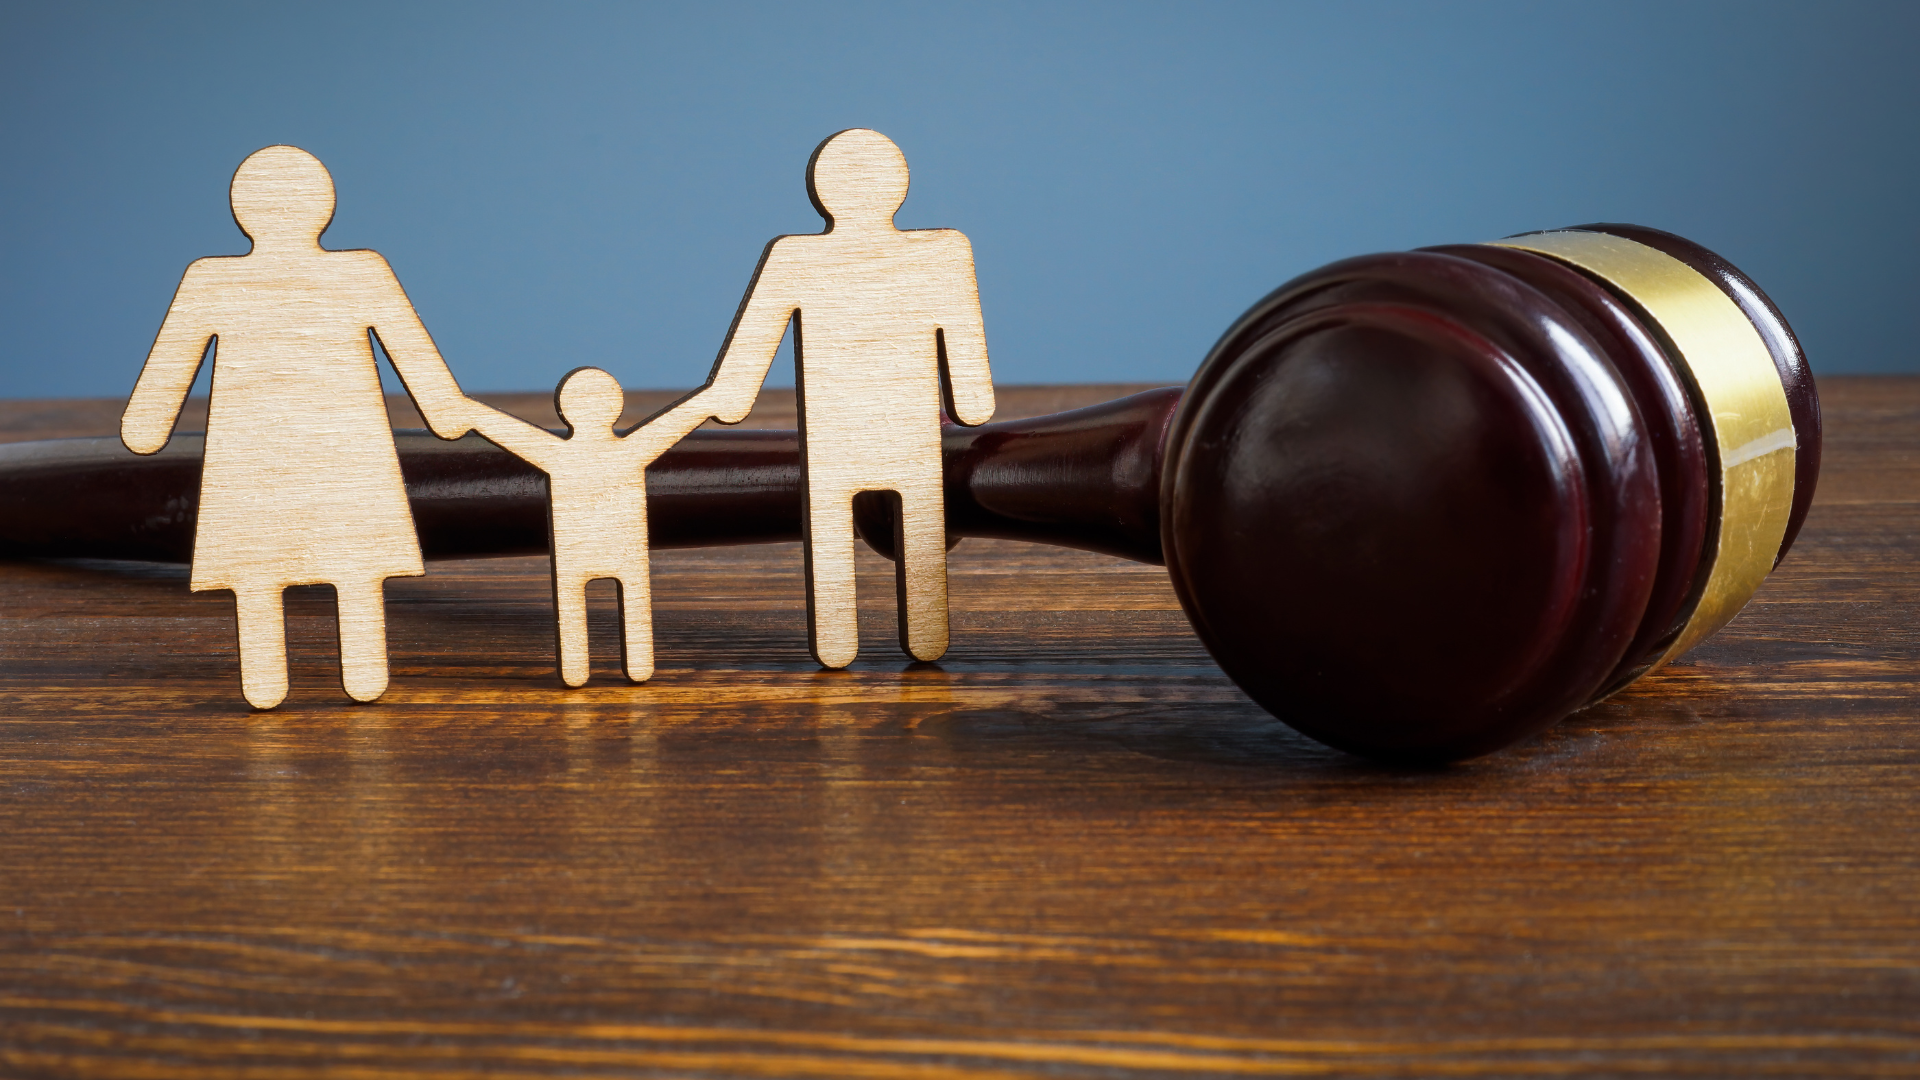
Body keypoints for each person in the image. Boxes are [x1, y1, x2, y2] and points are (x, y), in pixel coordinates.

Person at [121, 145, 476, 709]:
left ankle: (275, 681)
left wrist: (147, 424)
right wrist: (446, 413)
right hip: (341, 451)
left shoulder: (211, 281)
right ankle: (354, 675)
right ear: (324, 206)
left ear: (242, 209)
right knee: (350, 565)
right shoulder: (360, 272)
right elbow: (422, 370)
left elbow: (160, 390)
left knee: (265, 572)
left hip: (257, 456)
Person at [697, 129, 996, 668]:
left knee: (835, 528)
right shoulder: (942, 253)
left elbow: (745, 364)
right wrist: (971, 403)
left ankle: (841, 643)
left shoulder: (796, 258)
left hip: (839, 434)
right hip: (905, 430)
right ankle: (920, 636)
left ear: (821, 188)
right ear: (899, 186)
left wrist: (729, 401)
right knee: (916, 518)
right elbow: (969, 372)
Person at [466, 367, 721, 686]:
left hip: (593, 548)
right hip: (606, 547)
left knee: (592, 601)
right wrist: (715, 400)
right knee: (623, 599)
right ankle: (621, 665)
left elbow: (499, 427)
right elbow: (686, 415)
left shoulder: (559, 452)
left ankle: (593, 668)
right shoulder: (630, 447)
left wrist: (466, 413)